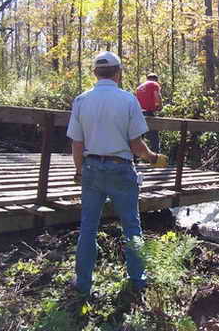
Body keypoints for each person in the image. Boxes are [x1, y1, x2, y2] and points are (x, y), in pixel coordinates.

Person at [66, 51, 168, 297]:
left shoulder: (81, 101)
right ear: (118, 73)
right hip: (121, 169)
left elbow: (77, 144)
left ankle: (83, 284)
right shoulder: (128, 100)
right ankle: (137, 280)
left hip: (91, 168)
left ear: (94, 73)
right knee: (132, 226)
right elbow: (136, 146)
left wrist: (79, 171)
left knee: (88, 227)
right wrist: (153, 158)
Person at [135, 73, 162, 153]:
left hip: (138, 114)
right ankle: (156, 157)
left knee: (139, 137)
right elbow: (157, 96)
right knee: (154, 137)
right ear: (155, 79)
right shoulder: (154, 84)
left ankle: (136, 158)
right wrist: (159, 106)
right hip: (149, 113)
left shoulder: (139, 87)